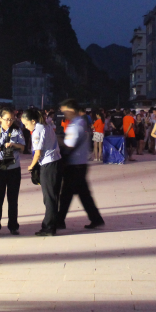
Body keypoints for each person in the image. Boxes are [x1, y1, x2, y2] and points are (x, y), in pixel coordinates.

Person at [56, 99, 105, 232]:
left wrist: (58, 140)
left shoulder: (76, 125)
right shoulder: (81, 122)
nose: (63, 113)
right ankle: (95, 218)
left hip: (74, 165)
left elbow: (69, 145)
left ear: (71, 110)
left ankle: (60, 220)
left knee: (67, 194)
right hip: (80, 164)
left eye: (65, 111)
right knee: (82, 194)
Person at [0, 109, 26, 235]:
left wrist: (14, 145)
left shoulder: (17, 131)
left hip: (13, 169)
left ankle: (13, 226)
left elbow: (23, 147)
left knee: (13, 199)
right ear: (0, 119)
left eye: (11, 119)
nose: (9, 121)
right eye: (7, 119)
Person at [22, 108, 62, 236]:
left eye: (26, 124)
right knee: (53, 196)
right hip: (55, 162)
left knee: (49, 197)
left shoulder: (38, 130)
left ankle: (49, 227)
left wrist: (31, 166)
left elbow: (38, 152)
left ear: (33, 121)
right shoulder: (47, 125)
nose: (26, 126)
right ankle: (53, 224)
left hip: (48, 164)